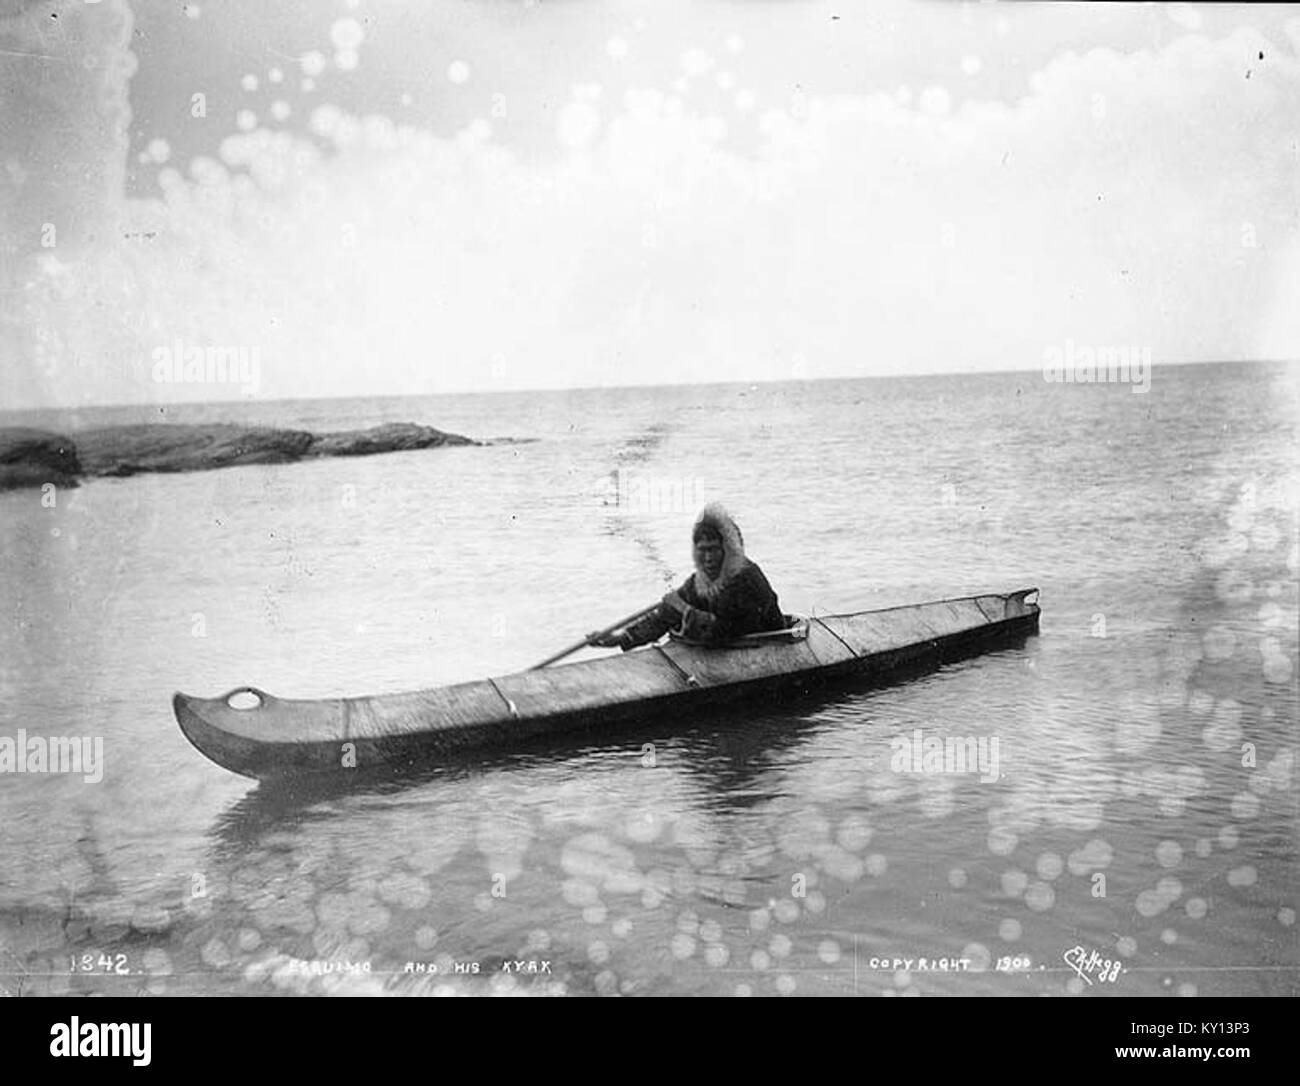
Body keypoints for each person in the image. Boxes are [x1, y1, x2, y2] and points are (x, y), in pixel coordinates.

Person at [592, 503, 787, 650]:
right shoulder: (700, 582)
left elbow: (723, 631)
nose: (708, 559)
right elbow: (665, 616)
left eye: (714, 550)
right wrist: (622, 638)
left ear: (728, 550)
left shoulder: (746, 577)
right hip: (731, 646)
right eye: (702, 550)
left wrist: (681, 606)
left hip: (766, 645)